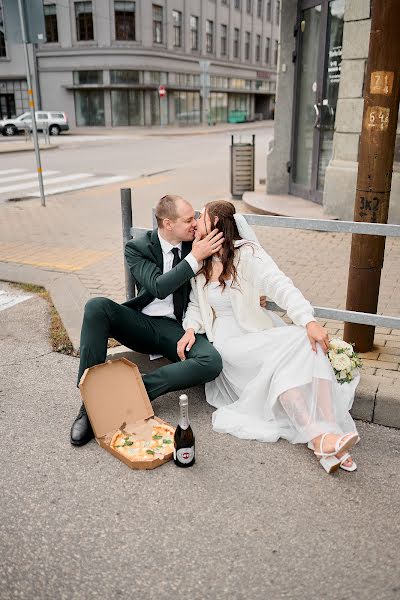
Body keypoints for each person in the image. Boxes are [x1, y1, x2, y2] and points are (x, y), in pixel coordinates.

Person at [178, 201, 360, 474]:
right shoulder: (199, 259)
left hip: (256, 332)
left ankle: (325, 439)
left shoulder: (248, 254)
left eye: (201, 217)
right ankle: (325, 438)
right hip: (230, 346)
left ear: (215, 222)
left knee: (305, 342)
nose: (195, 221)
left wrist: (309, 321)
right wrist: (191, 328)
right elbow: (196, 304)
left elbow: (281, 285)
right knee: (297, 344)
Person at [70, 194, 225, 446]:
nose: (195, 223)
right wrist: (194, 258)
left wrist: (247, 293)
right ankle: (88, 406)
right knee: (96, 307)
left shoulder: (196, 243)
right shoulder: (138, 247)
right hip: (140, 324)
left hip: (177, 328)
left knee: (212, 361)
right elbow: (158, 286)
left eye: (196, 217)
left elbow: (232, 253)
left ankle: (134, 389)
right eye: (188, 219)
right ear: (167, 224)